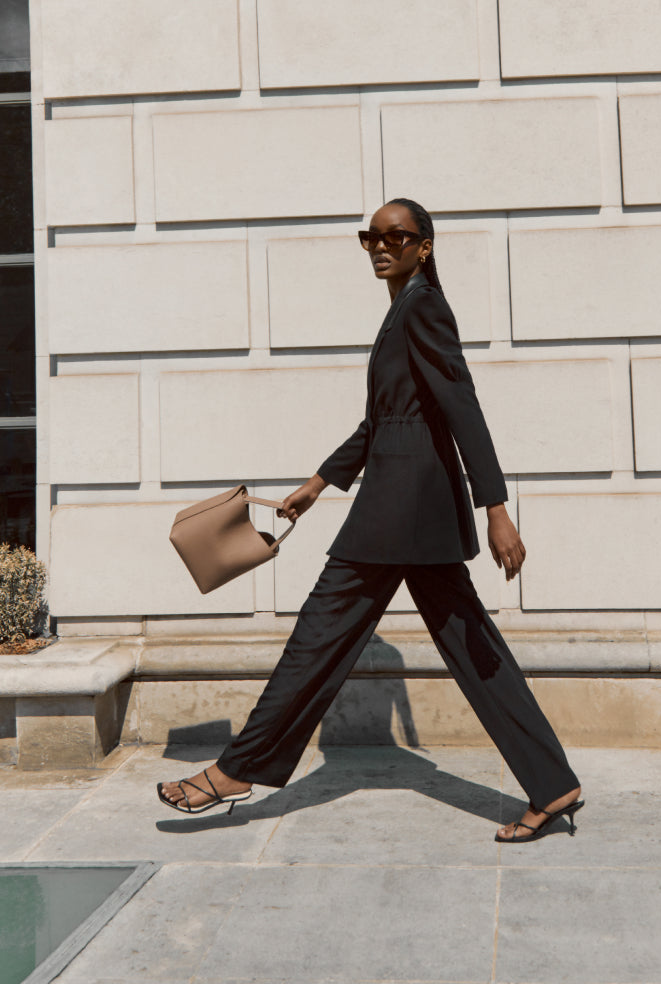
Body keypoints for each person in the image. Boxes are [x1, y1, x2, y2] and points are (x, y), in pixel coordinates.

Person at [157, 198, 583, 843]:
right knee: (474, 647)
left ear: (424, 245)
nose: (381, 246)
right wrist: (318, 483)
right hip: (406, 509)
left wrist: (497, 508)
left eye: (396, 236)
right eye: (370, 237)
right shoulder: (402, 311)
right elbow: (381, 421)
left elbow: (461, 405)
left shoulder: (424, 309)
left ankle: (237, 770)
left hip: (402, 509)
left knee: (318, 636)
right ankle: (554, 785)